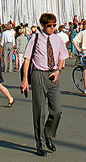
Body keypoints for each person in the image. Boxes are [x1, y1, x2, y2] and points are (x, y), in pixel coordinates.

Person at [21, 14, 67, 156]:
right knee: (39, 111)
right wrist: (24, 80)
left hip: (53, 75)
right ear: (43, 25)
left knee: (57, 110)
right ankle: (40, 144)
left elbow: (62, 58)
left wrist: (58, 71)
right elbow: (27, 59)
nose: (52, 28)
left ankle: (48, 133)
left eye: (54, 25)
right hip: (38, 75)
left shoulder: (58, 39)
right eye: (49, 26)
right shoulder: (35, 38)